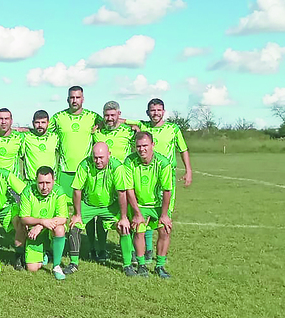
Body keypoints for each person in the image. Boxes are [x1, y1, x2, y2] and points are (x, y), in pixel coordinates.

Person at [126, 98, 192, 265]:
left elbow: (183, 149)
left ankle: (157, 255)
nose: (155, 113)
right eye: (152, 110)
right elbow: (121, 120)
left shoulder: (173, 128)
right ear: (148, 112)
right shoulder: (143, 126)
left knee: (163, 215)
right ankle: (147, 250)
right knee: (143, 209)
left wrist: (188, 170)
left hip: (165, 175)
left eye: (158, 110)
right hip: (144, 172)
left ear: (163, 111)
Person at [68, 142, 133, 274]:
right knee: (74, 227)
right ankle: (73, 263)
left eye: (101, 157)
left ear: (109, 155)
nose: (98, 161)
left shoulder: (117, 167)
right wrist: (77, 214)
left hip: (110, 206)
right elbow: (77, 190)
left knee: (124, 227)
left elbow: (122, 193)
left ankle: (127, 265)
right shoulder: (84, 164)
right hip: (89, 204)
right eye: (95, 157)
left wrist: (124, 217)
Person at [122, 132, 174, 278]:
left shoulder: (163, 163)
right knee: (139, 230)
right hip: (139, 204)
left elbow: (167, 190)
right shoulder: (129, 161)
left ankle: (160, 266)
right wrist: (137, 213)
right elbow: (129, 189)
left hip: (157, 204)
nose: (141, 149)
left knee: (165, 229)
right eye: (138, 146)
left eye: (145, 145)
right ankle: (141, 265)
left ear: (153, 145)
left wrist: (164, 215)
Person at [18, 166, 70, 280]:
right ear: (36, 181)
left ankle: (56, 266)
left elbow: (63, 218)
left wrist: (41, 225)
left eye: (48, 182)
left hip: (48, 229)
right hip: (34, 233)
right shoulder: (27, 191)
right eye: (41, 183)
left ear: (53, 181)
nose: (44, 187)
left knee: (60, 229)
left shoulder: (59, 191)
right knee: (32, 269)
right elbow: (23, 218)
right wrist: (42, 221)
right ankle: (46, 254)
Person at [49, 86, 102, 193]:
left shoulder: (93, 116)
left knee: (84, 204)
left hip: (86, 168)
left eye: (77, 97)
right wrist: (23, 129)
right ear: (67, 99)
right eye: (72, 97)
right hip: (65, 170)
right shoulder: (58, 117)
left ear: (83, 99)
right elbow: (41, 130)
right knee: (66, 204)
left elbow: (110, 122)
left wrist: (131, 124)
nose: (74, 100)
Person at [19, 110, 60, 182]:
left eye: (43, 122)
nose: (40, 125)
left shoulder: (55, 137)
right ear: (33, 123)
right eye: (37, 122)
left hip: (49, 182)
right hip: (31, 181)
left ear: (48, 123)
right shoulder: (25, 137)